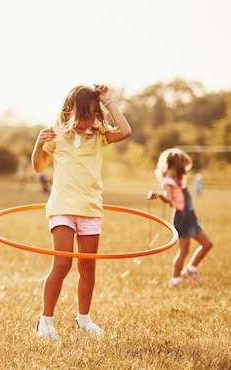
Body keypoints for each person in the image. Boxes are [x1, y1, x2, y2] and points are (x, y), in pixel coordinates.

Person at [31, 84, 132, 341]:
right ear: (69, 112)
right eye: (82, 116)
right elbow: (38, 167)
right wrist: (37, 146)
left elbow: (125, 131)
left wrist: (108, 101)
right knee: (62, 263)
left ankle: (84, 319)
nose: (86, 121)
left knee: (87, 266)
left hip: (89, 208)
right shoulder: (56, 135)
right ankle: (45, 321)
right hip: (62, 207)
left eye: (91, 115)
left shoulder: (98, 135)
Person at [148, 149, 213, 287]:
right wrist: (160, 196)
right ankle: (175, 279)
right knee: (184, 251)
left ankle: (190, 269)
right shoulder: (168, 181)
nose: (185, 169)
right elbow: (169, 198)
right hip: (182, 218)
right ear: (177, 165)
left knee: (207, 244)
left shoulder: (177, 181)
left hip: (190, 217)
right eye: (183, 165)